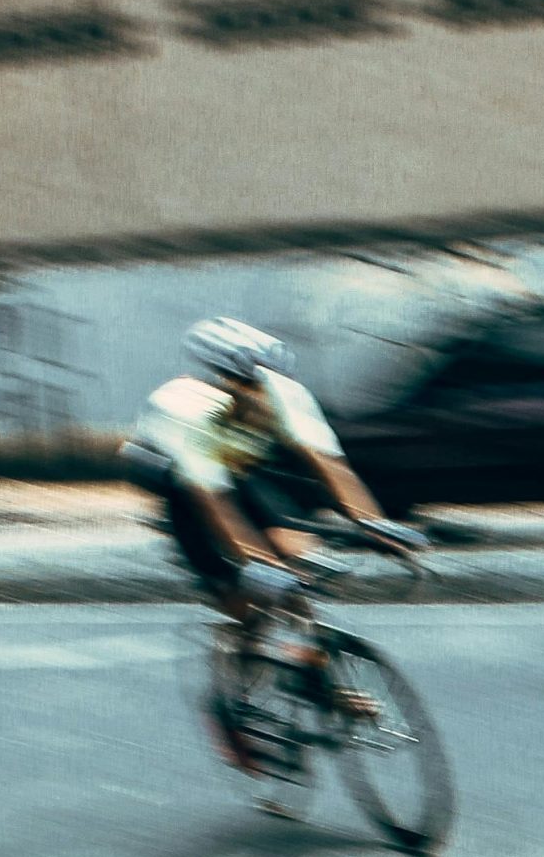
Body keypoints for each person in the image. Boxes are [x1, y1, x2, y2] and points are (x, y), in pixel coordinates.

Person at [127, 318, 413, 763]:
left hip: (241, 469)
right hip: (184, 484)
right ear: (218, 381)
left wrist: (375, 524)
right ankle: (227, 699)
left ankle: (320, 675)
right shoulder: (184, 409)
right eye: (245, 385)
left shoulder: (285, 394)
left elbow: (329, 463)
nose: (259, 395)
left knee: (298, 553)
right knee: (246, 589)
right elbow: (215, 502)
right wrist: (256, 565)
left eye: (262, 384)